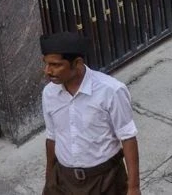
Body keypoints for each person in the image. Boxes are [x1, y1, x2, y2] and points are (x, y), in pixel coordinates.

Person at [41, 32, 140, 195]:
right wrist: (49, 178)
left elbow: (128, 137)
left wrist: (133, 188)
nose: (48, 71)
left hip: (105, 180)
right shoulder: (49, 93)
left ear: (77, 63)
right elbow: (52, 137)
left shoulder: (111, 91)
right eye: (46, 64)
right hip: (63, 179)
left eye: (56, 65)